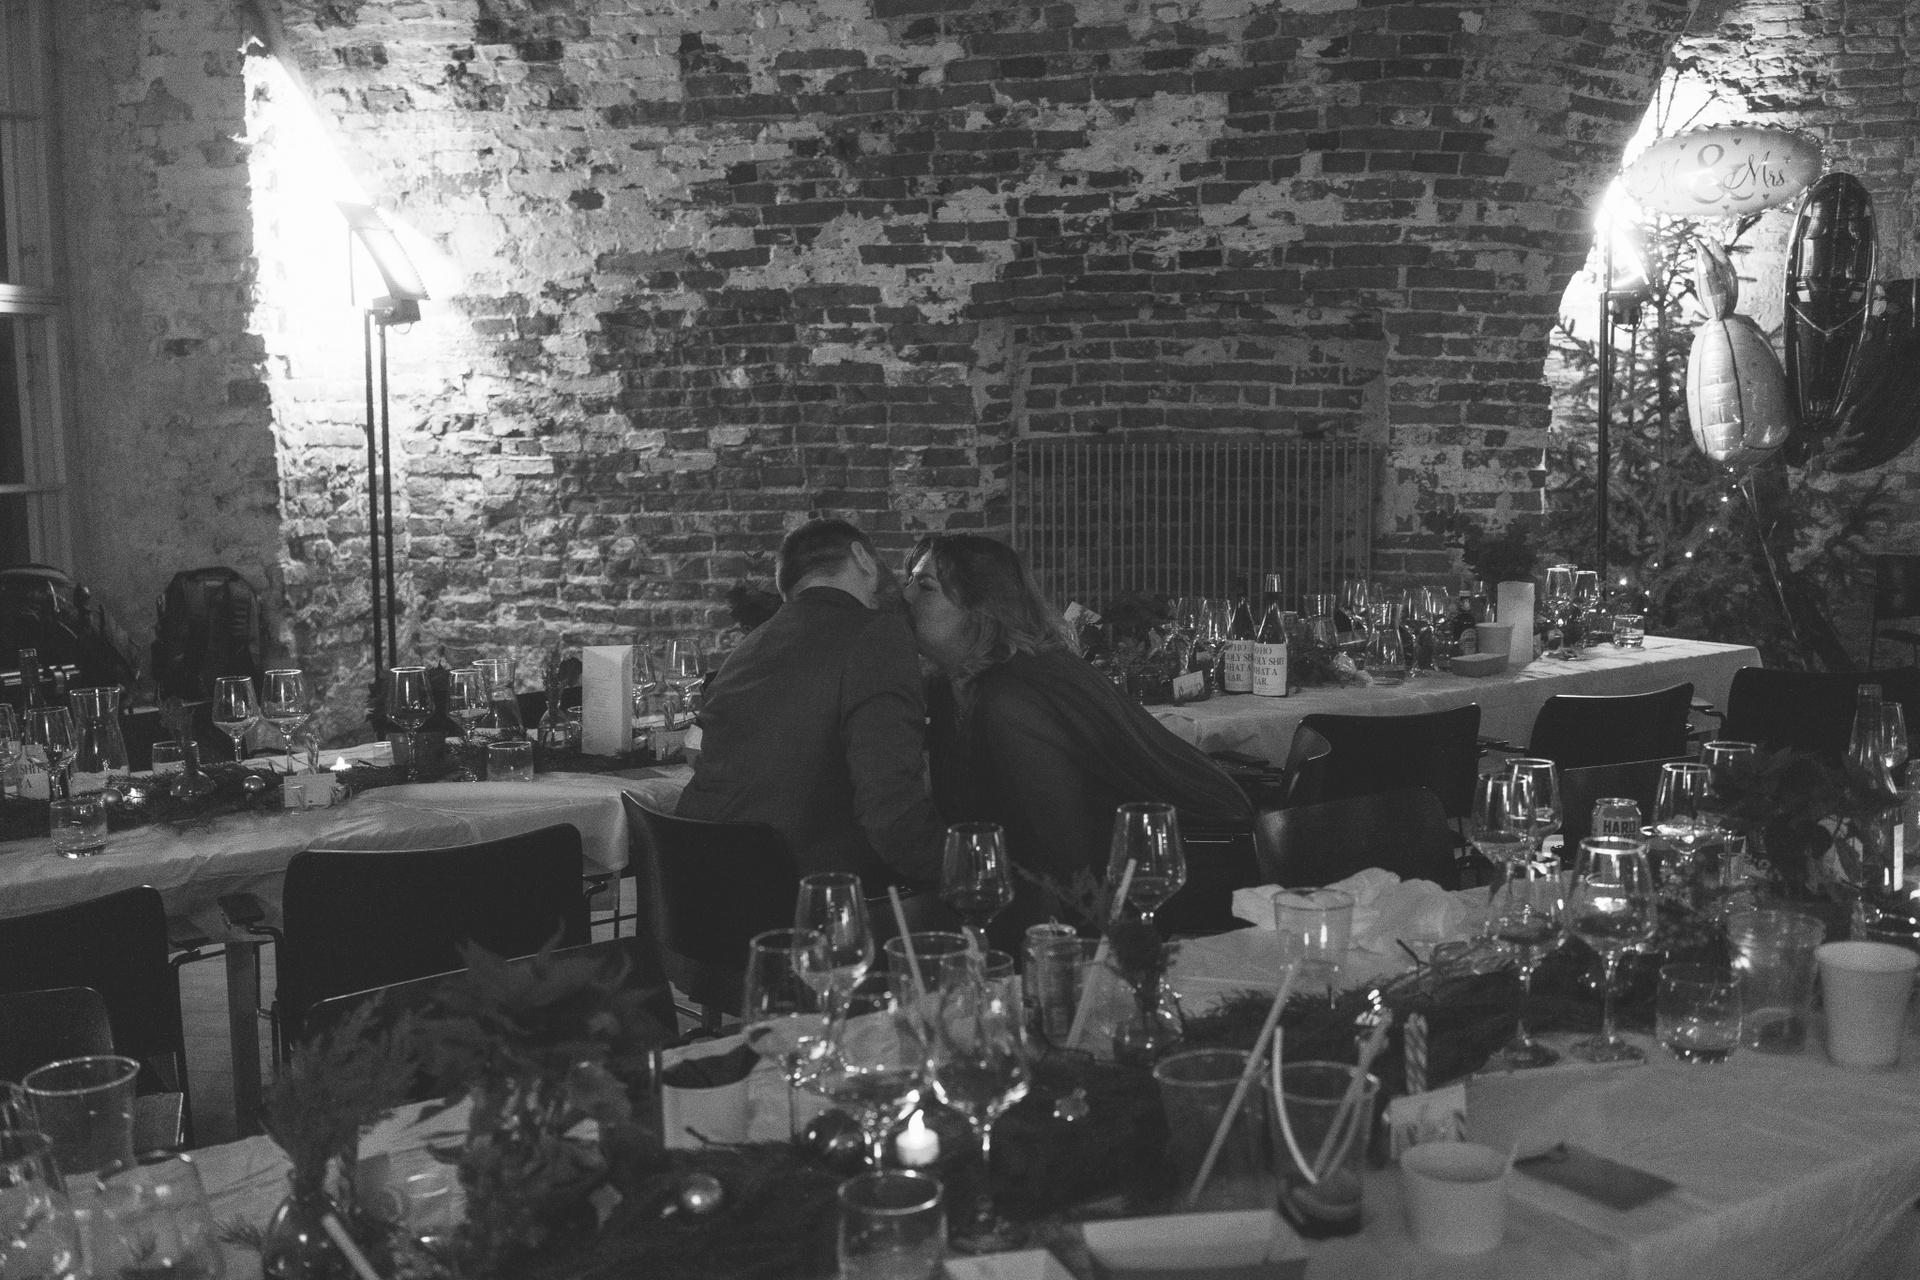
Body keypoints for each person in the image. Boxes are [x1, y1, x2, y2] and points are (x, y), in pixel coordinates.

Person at [905, 533, 1253, 943]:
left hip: (1188, 873)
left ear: (982, 608)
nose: (904, 595)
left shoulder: (1012, 699)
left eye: (924, 586)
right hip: (1106, 885)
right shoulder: (951, 688)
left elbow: (1065, 859)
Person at [676, 519, 946, 887]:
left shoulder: (750, 646)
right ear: (861, 558)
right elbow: (891, 812)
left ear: (787, 586)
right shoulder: (876, 633)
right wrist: (970, 876)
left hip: (698, 880)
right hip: (805, 894)